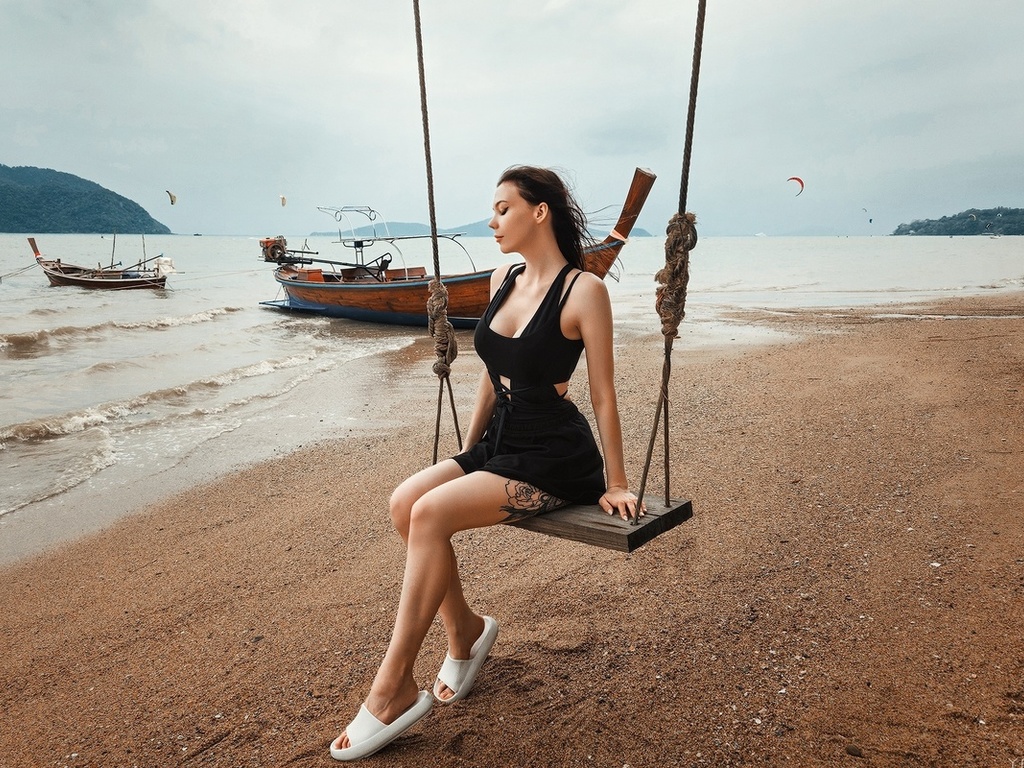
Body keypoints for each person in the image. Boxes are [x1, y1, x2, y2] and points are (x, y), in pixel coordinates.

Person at [330, 165, 644, 760]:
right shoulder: (504, 275)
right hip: (501, 440)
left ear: (539, 212)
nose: (493, 221)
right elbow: (489, 374)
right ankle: (466, 632)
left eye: (503, 209)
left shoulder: (584, 292)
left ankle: (392, 687)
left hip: (553, 454)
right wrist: (466, 456)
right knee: (407, 504)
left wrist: (618, 482)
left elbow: (603, 392)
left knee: (428, 517)